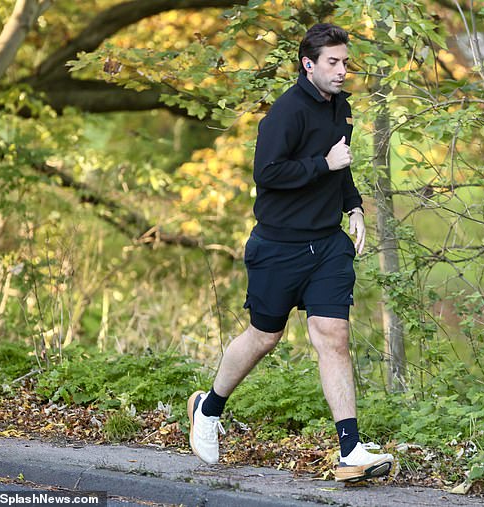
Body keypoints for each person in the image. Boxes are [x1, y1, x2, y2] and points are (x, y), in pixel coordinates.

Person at [188, 23, 394, 483]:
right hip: (278, 245)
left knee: (332, 334)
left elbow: (340, 170)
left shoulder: (341, 108)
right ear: (309, 64)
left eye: (346, 62)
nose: (343, 71)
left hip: (327, 245)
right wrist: (323, 164)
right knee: (264, 337)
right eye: (333, 63)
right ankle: (209, 407)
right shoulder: (286, 112)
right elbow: (268, 173)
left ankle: (350, 450)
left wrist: (354, 207)